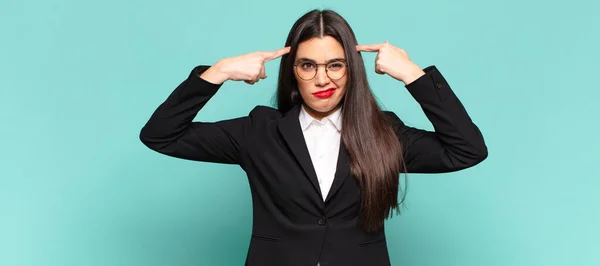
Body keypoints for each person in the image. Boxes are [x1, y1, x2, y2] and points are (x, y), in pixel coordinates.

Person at [139, 9, 487, 266]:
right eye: (308, 66)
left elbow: (467, 150)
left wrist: (414, 75)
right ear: (293, 71)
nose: (323, 79)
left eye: (335, 65)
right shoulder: (258, 131)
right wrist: (219, 72)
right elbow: (161, 135)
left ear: (352, 69)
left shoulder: (384, 132)